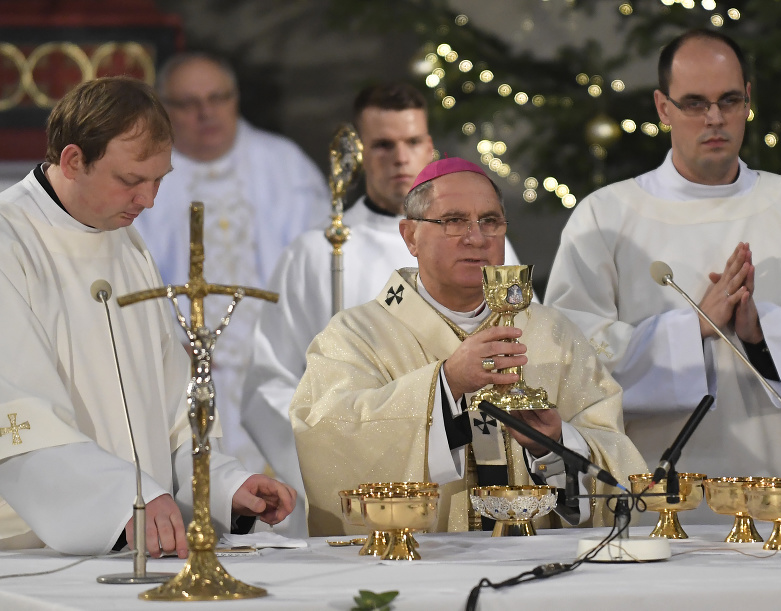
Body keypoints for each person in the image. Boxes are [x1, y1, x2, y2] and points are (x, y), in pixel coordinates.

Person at [544, 29, 781, 523]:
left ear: (748, 99)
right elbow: (568, 363)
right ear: (662, 108)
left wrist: (763, 334)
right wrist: (692, 329)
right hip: (650, 505)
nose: (715, 118)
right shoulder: (603, 219)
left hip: (779, 500)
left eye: (729, 100)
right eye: (694, 103)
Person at [0, 77, 295, 556]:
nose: (150, 199)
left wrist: (222, 486)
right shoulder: (8, 243)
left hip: (141, 539)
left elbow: (171, 406)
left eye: (160, 179)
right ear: (74, 161)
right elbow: (18, 412)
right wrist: (120, 500)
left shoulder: (128, 245)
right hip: (27, 549)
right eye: (131, 180)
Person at [290, 157, 646, 536]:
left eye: (490, 221)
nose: (476, 238)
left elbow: (615, 455)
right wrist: (445, 384)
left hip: (536, 562)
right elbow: (328, 436)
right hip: (426, 565)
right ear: (410, 236)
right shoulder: (356, 334)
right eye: (453, 221)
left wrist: (554, 445)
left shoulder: (553, 332)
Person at [241, 83, 520, 536]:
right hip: (368, 492)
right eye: (383, 145)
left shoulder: (488, 242)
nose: (400, 157)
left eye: (412, 142)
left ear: (430, 146)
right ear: (359, 151)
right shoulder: (317, 254)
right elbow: (270, 384)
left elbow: (526, 338)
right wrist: (330, 456)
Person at [135, 52, 331, 474]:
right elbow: (131, 275)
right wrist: (169, 343)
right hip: (183, 366)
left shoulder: (284, 165)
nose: (206, 113)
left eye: (218, 97)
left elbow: (317, 267)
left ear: (235, 98)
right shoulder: (141, 174)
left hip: (278, 363)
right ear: (163, 108)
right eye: (187, 103)